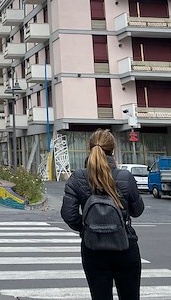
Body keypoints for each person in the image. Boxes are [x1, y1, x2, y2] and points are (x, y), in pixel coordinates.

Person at [61, 128, 144, 299]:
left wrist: (88, 228)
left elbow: (68, 214)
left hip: (93, 248)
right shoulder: (124, 176)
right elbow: (137, 211)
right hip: (125, 246)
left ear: (89, 148)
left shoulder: (78, 177)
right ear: (112, 150)